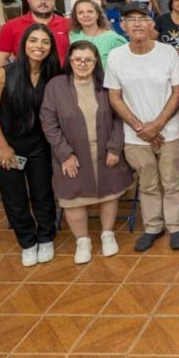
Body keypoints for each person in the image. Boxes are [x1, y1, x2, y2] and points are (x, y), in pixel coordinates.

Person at [40, 41, 133, 264]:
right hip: (72, 152)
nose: (83, 63)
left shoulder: (105, 84)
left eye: (88, 59)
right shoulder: (56, 86)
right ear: (69, 61)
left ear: (96, 62)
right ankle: (83, 241)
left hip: (104, 150)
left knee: (109, 194)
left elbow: (119, 118)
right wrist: (64, 154)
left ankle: (107, 234)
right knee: (74, 198)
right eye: (77, 59)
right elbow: (48, 121)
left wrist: (114, 148)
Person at [105, 2, 179, 252]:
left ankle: (176, 226)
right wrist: (141, 128)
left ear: (152, 23)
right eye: (131, 19)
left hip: (169, 132)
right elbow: (115, 97)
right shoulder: (117, 57)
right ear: (122, 26)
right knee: (148, 182)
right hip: (135, 135)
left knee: (171, 181)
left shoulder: (167, 53)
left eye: (142, 18)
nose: (137, 24)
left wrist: (158, 125)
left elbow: (178, 91)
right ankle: (153, 226)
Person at [0, 24, 62, 266]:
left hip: (39, 146)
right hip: (6, 144)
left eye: (45, 42)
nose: (39, 46)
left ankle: (46, 236)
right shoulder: (2, 75)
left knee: (42, 193)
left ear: (51, 48)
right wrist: (4, 146)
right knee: (14, 197)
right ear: (24, 44)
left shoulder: (52, 76)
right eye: (33, 41)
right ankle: (27, 242)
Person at [0, 0, 71, 68]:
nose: (43, 2)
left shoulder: (68, 24)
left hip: (61, 76)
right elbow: (1, 57)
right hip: (26, 77)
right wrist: (1, 79)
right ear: (28, 0)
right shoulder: (11, 26)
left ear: (54, 1)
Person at [68, 0, 127, 68]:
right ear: (76, 16)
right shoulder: (72, 36)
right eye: (81, 12)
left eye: (90, 11)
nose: (86, 15)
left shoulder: (114, 39)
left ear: (97, 14)